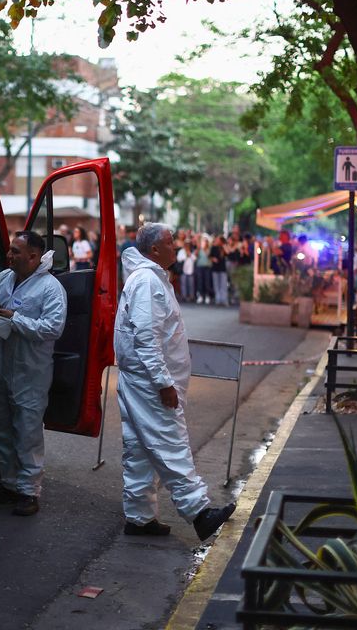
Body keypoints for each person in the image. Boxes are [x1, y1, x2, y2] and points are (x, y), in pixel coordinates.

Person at [114, 223, 237, 540]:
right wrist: (162, 382)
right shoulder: (147, 282)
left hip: (144, 381)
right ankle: (199, 513)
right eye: (171, 242)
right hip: (150, 383)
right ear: (154, 250)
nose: (176, 245)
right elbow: (146, 337)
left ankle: (139, 517)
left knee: (141, 450)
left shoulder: (150, 279)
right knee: (171, 446)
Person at [0, 231, 68, 516]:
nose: (9, 255)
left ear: (34, 256)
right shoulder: (5, 277)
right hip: (2, 364)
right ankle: (10, 483)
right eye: (11, 251)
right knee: (0, 426)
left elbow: (52, 328)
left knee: (27, 431)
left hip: (30, 371)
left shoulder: (50, 288)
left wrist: (16, 320)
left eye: (15, 251)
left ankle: (29, 491)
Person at [210, 235, 229, 306]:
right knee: (216, 285)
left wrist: (224, 246)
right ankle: (218, 299)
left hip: (222, 268)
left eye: (218, 240)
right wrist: (213, 259)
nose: (216, 241)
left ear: (221, 241)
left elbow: (228, 253)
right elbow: (210, 256)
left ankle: (224, 300)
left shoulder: (224, 247)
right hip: (215, 268)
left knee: (223, 285)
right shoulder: (213, 247)